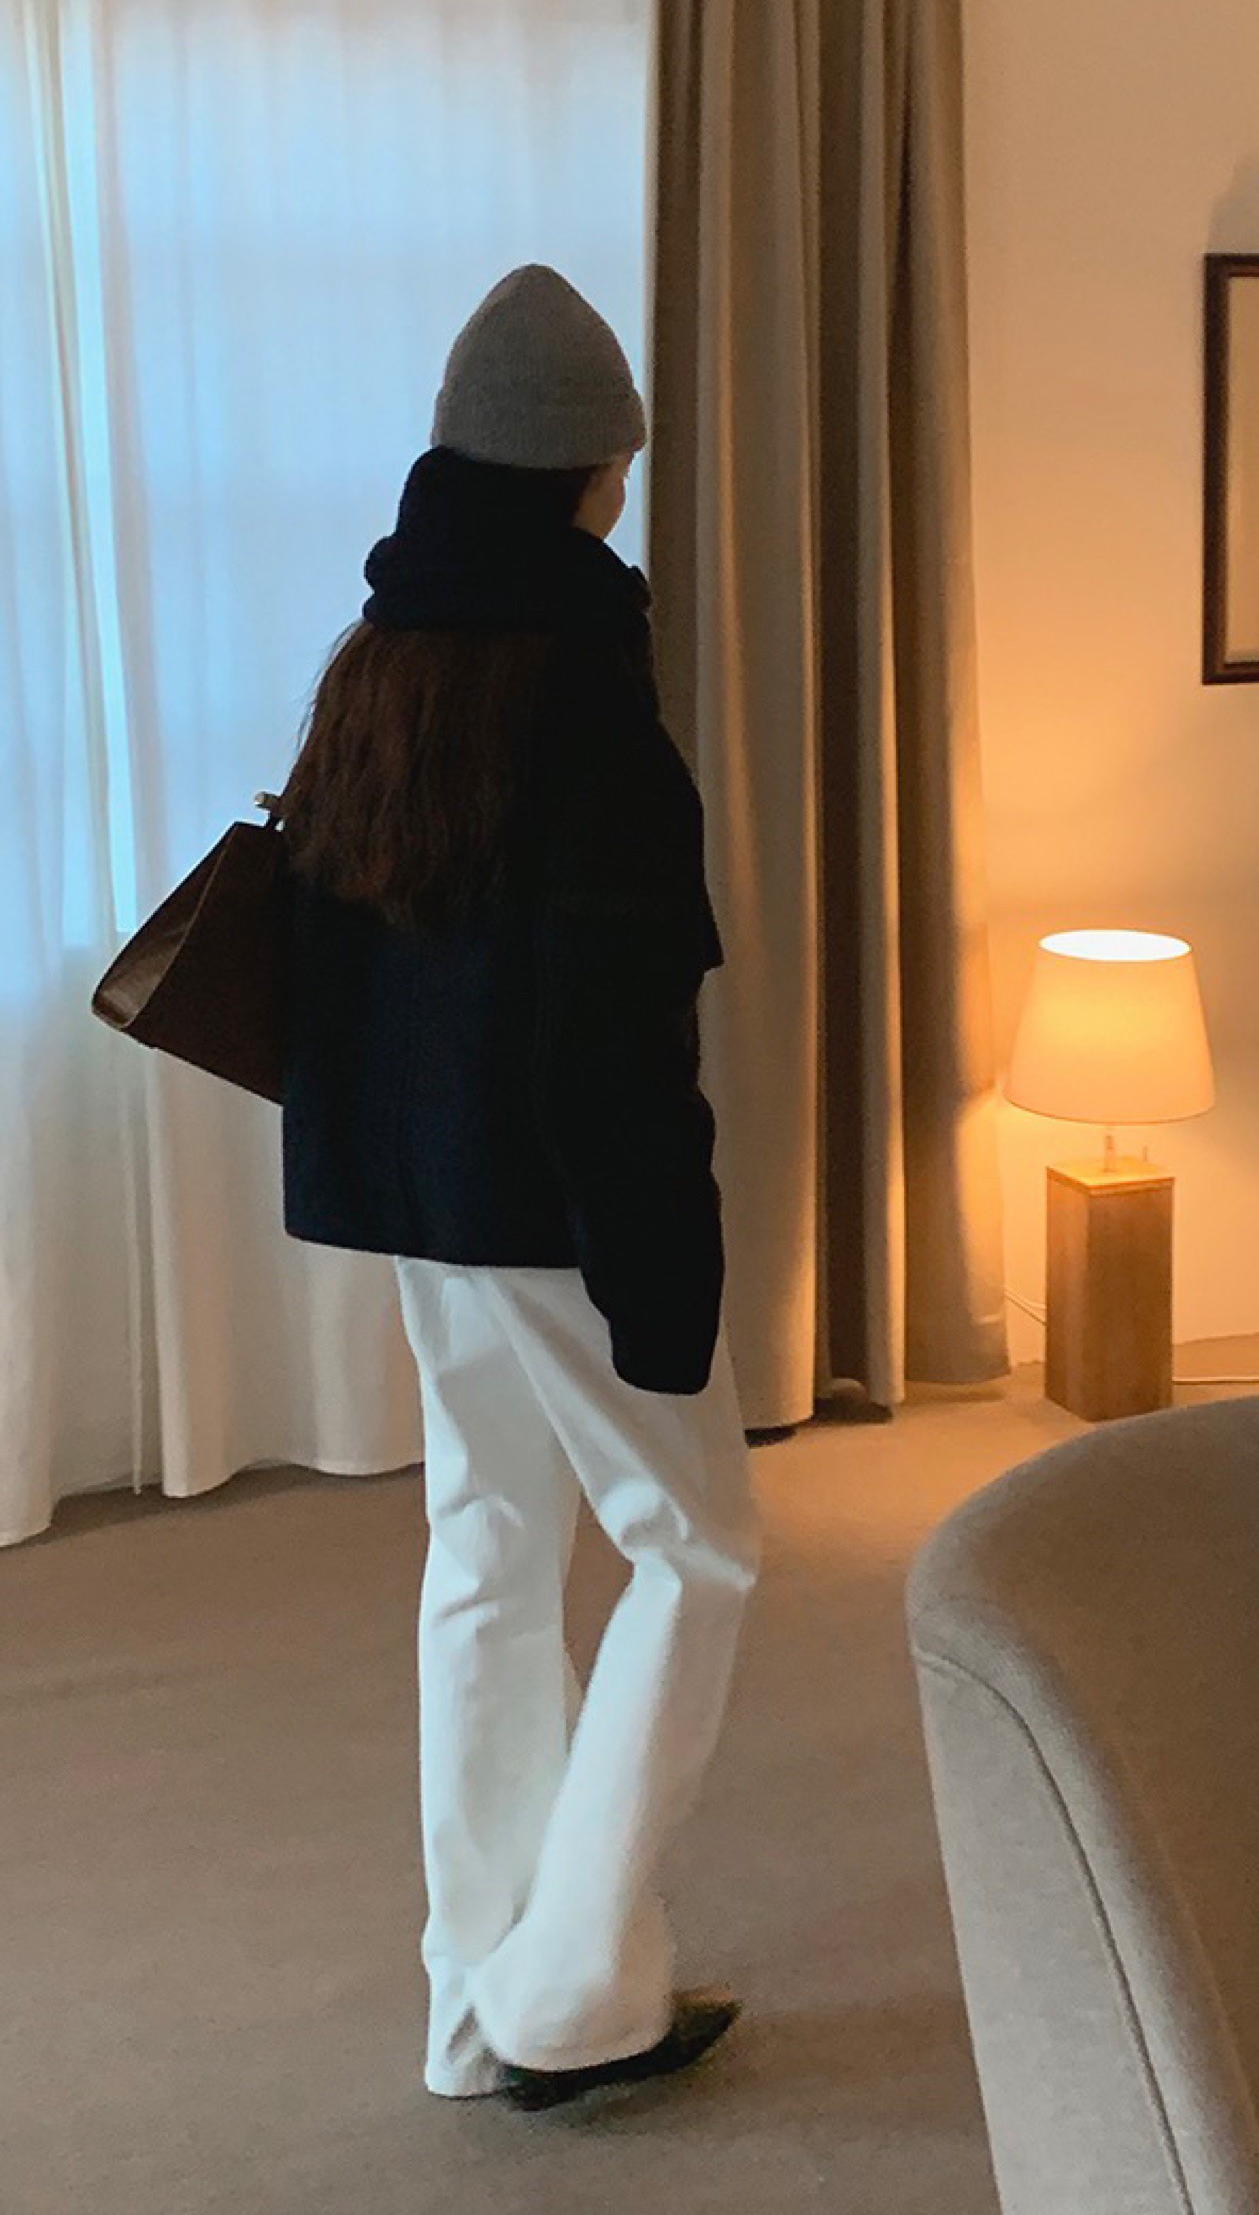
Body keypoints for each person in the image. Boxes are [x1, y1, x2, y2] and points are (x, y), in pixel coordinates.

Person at [278, 266, 760, 2112]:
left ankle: (475, 2008)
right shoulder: (585, 689)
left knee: (486, 1551)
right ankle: (569, 2002)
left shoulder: (380, 657)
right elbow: (608, 1035)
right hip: (558, 1210)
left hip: (423, 1199)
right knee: (696, 1547)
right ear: (591, 470)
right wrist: (663, 1273)